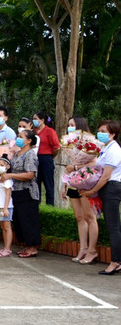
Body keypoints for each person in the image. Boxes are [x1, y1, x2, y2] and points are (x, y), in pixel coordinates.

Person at [80, 120, 121, 275]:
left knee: (113, 227)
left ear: (112, 133)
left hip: (111, 187)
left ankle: (115, 262)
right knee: (114, 226)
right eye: (99, 130)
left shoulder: (114, 150)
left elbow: (105, 176)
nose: (100, 133)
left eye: (104, 131)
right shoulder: (105, 148)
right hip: (107, 188)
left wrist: (92, 191)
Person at [60, 116, 99, 265]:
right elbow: (70, 164)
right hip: (72, 182)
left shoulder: (90, 143)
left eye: (73, 124)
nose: (70, 127)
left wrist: (76, 168)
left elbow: (94, 163)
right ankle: (83, 248)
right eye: (69, 124)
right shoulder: (69, 143)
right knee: (79, 217)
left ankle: (92, 250)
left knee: (90, 217)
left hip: (86, 181)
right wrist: (65, 183)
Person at [2, 129, 40, 258]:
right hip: (16, 190)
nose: (18, 138)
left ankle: (33, 247)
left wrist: (11, 175)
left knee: (28, 219)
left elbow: (30, 174)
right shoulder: (17, 153)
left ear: (29, 141)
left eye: (21, 137)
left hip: (27, 191)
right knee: (20, 220)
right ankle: (26, 245)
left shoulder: (30, 154)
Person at [33, 111, 60, 206]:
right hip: (35, 158)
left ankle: (50, 205)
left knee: (48, 184)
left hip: (46, 158)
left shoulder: (49, 131)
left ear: (42, 120)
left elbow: (56, 147)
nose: (34, 121)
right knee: (36, 183)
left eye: (36, 119)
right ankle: (37, 204)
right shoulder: (34, 131)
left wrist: (51, 156)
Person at [0, 156, 14, 257]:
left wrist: (5, 208)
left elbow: (8, 194)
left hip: (6, 207)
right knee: (2, 227)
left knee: (7, 227)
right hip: (0, 206)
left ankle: (8, 248)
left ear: (8, 166)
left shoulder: (7, 180)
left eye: (2, 165)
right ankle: (5, 247)